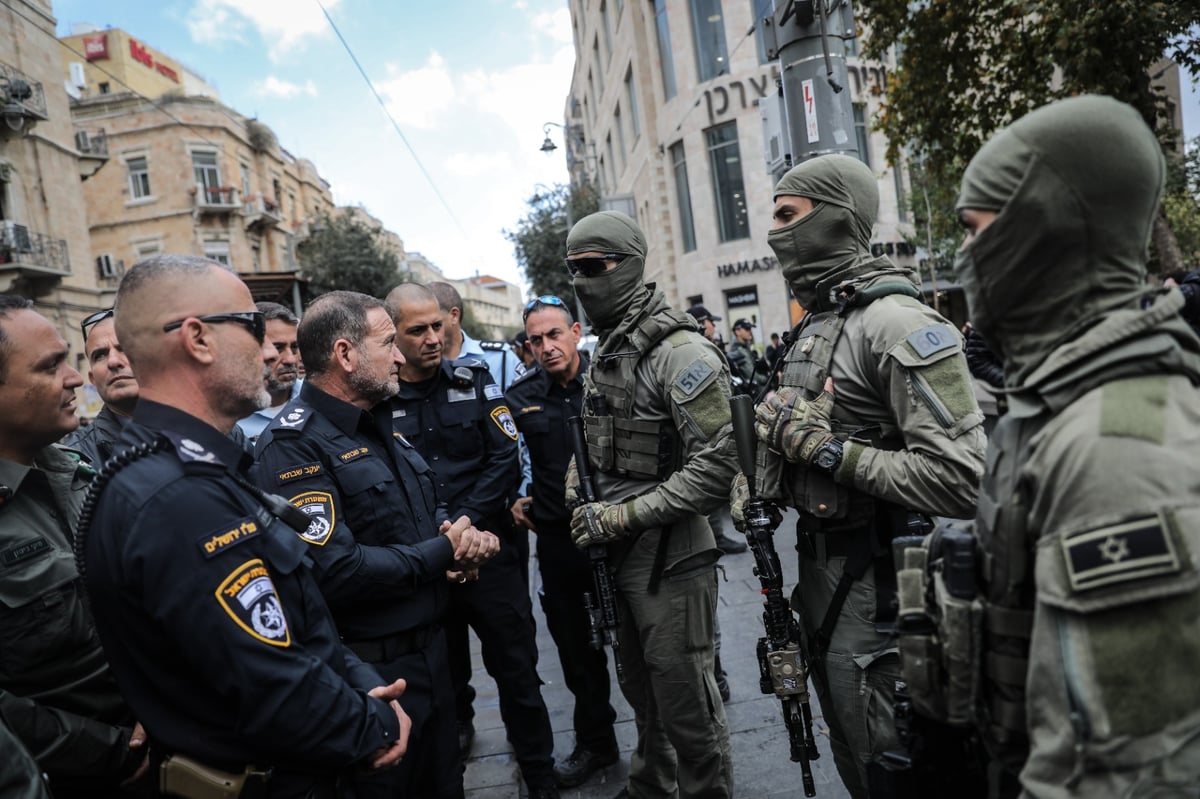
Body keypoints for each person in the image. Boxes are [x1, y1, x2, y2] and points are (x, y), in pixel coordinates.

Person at [82, 257, 410, 797]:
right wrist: (374, 726)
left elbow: (292, 623)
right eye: (252, 327)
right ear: (198, 339)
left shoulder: (200, 468)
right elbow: (267, 683)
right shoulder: (176, 495)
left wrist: (361, 684)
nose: (269, 351)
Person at [949, 94, 1200, 797]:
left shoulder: (1114, 446)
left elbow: (1124, 773)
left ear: (1046, 227)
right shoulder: (1055, 405)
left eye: (976, 230)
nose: (966, 255)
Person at [737, 154, 985, 798]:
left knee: (895, 773)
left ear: (838, 218)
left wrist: (826, 451)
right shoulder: (820, 324)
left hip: (884, 603)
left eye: (789, 216)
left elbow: (965, 478)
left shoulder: (896, 323)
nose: (774, 233)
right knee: (856, 764)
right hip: (822, 593)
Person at [254, 289, 498, 799]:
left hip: (434, 659)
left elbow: (422, 509)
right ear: (345, 355)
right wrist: (442, 553)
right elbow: (336, 568)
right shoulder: (293, 444)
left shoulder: (380, 421)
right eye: (389, 343)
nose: (401, 356)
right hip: (374, 675)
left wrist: (456, 544)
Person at [566, 210, 736, 799]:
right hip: (618, 555)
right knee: (642, 695)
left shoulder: (682, 353)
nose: (584, 282)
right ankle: (652, 788)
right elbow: (591, 439)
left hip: (673, 558)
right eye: (574, 270)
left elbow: (717, 469)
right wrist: (576, 488)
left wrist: (619, 516)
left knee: (689, 706)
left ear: (632, 266)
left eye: (595, 268)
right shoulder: (610, 352)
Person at [386, 283, 559, 798]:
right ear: (392, 334)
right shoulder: (380, 399)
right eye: (417, 330)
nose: (434, 338)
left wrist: (462, 521)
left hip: (491, 552)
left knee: (518, 671)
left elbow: (503, 458)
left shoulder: (475, 379)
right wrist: (445, 537)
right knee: (440, 682)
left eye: (437, 325)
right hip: (429, 561)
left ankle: (539, 774)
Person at [0, 295, 148, 797]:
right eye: (50, 366)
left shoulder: (83, 478)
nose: (78, 378)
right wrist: (105, 747)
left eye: (69, 359)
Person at [506, 296, 620, 788]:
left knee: (645, 642)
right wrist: (515, 494)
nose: (547, 347)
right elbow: (503, 458)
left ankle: (667, 741)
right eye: (536, 340)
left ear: (575, 331)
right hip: (558, 540)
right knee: (577, 653)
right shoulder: (518, 397)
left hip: (621, 531)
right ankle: (597, 742)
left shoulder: (614, 379)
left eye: (554, 335)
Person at [62, 308, 139, 466]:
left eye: (124, 348)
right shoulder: (74, 461)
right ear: (93, 379)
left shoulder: (199, 428)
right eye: (100, 355)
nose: (113, 361)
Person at [428, 280, 520, 391]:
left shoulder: (502, 359)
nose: (428, 335)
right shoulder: (415, 365)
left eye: (435, 324)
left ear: (454, 316)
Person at [235, 301, 301, 449]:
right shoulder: (231, 414)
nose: (290, 359)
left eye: (295, 347)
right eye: (277, 348)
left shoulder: (318, 398)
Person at [726, 318, 766, 394]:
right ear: (737, 331)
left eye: (750, 328)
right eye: (747, 329)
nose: (750, 331)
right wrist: (767, 378)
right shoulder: (739, 351)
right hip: (752, 394)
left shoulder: (745, 348)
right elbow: (753, 376)